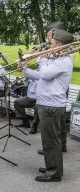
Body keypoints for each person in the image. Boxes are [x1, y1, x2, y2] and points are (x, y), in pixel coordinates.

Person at [23, 29, 73, 182]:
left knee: (51, 141)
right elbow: (40, 76)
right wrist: (25, 70)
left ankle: (54, 173)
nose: (49, 46)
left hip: (52, 105)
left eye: (51, 43)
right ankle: (52, 166)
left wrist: (42, 58)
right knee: (49, 140)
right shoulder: (57, 58)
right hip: (47, 102)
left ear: (59, 44)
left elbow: (45, 74)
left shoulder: (63, 60)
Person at [37, 21, 68, 154]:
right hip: (48, 96)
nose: (48, 38)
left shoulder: (64, 54)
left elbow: (46, 73)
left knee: (55, 133)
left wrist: (43, 58)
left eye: (49, 35)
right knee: (51, 136)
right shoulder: (57, 51)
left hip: (54, 97)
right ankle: (52, 157)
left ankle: (57, 154)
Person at [14, 60, 39, 132]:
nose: (37, 65)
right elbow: (26, 85)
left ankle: (35, 125)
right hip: (29, 97)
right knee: (17, 102)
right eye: (37, 64)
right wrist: (26, 79)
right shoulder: (33, 72)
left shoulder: (43, 74)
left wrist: (28, 74)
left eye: (38, 64)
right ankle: (25, 121)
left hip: (38, 98)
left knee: (38, 107)